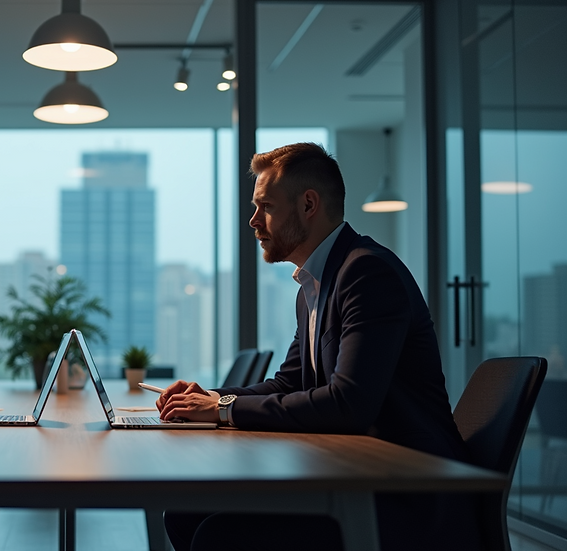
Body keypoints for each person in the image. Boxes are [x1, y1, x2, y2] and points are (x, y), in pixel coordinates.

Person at [157, 143, 480, 551]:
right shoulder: (314, 286)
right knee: (186, 513)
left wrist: (223, 410)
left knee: (218, 536)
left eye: (266, 207)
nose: (253, 221)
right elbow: (287, 384)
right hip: (355, 475)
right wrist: (208, 398)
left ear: (309, 204)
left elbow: (349, 403)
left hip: (410, 494)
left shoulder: (366, 272)